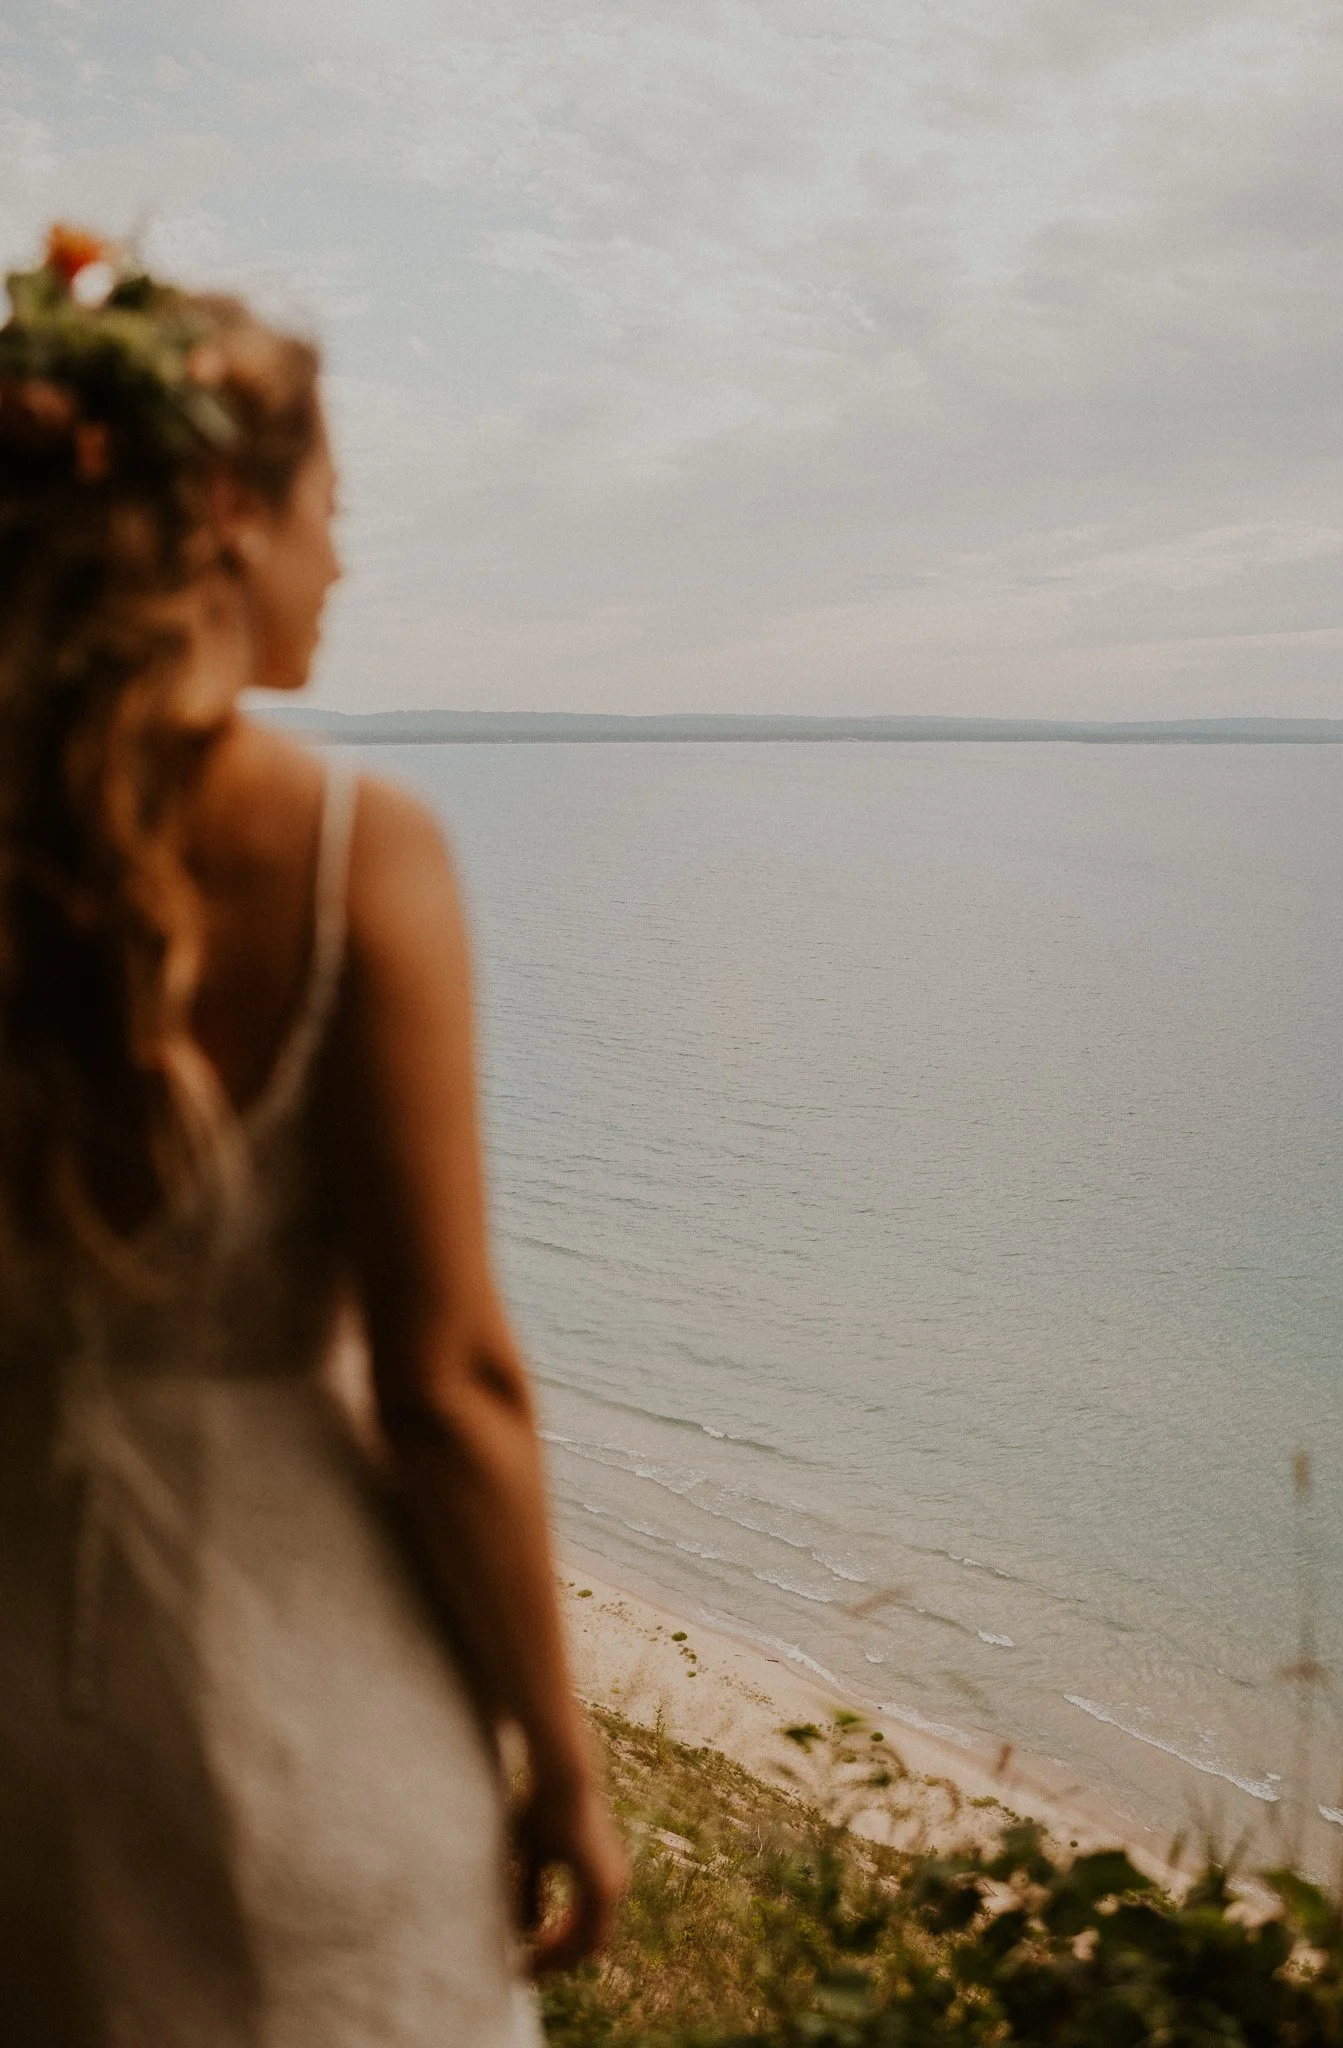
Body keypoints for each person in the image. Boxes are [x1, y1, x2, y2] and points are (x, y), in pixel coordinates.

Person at [0, 225, 625, 2045]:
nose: (342, 556)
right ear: (220, 518)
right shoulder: (358, 851)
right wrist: (559, 1756)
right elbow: (450, 1389)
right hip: (280, 1712)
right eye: (328, 505)